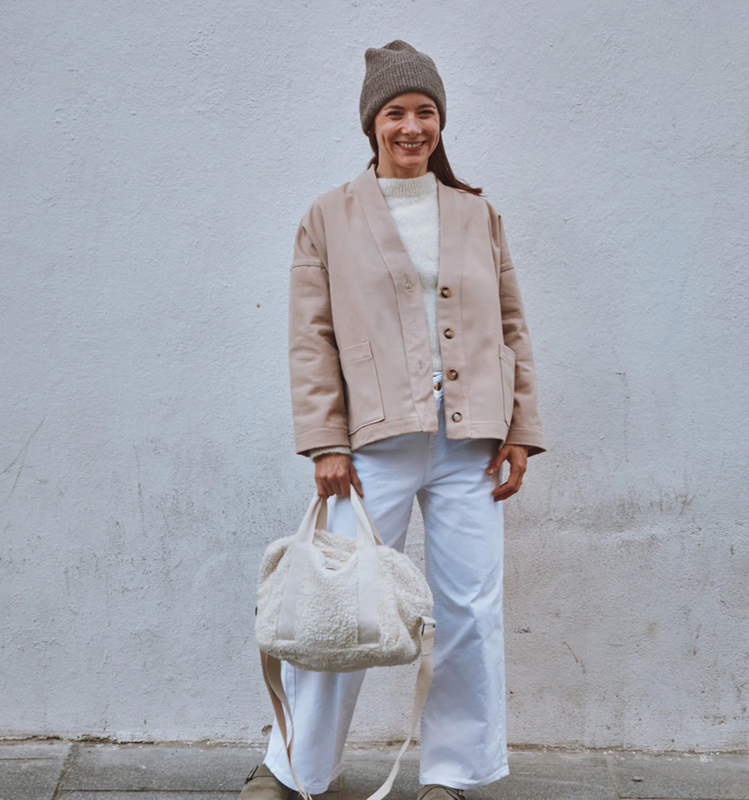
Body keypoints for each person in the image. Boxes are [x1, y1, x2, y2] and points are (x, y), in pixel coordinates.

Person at [239, 39, 546, 800]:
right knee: (340, 605)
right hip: (372, 444)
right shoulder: (328, 216)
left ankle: (455, 773)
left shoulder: (477, 214)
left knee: (470, 609)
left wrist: (521, 430)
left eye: (426, 112)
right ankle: (294, 768)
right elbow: (310, 337)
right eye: (396, 112)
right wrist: (325, 440)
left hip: (472, 442)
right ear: (372, 123)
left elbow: (511, 326)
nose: (412, 127)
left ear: (441, 121)